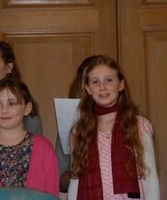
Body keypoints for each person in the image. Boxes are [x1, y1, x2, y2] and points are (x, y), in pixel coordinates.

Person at [68, 55, 160, 199]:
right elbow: (75, 180)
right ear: (88, 89)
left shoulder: (138, 125)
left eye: (109, 80)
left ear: (121, 84)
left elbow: (150, 178)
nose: (102, 87)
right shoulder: (79, 131)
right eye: (95, 82)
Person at [0, 78, 59, 197]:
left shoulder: (44, 148)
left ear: (27, 108)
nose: (4, 110)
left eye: (12, 103)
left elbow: (52, 195)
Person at [55, 55, 104, 193]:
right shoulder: (71, 120)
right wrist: (80, 171)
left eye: (105, 80)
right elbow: (59, 181)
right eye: (90, 81)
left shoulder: (130, 122)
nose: (99, 87)